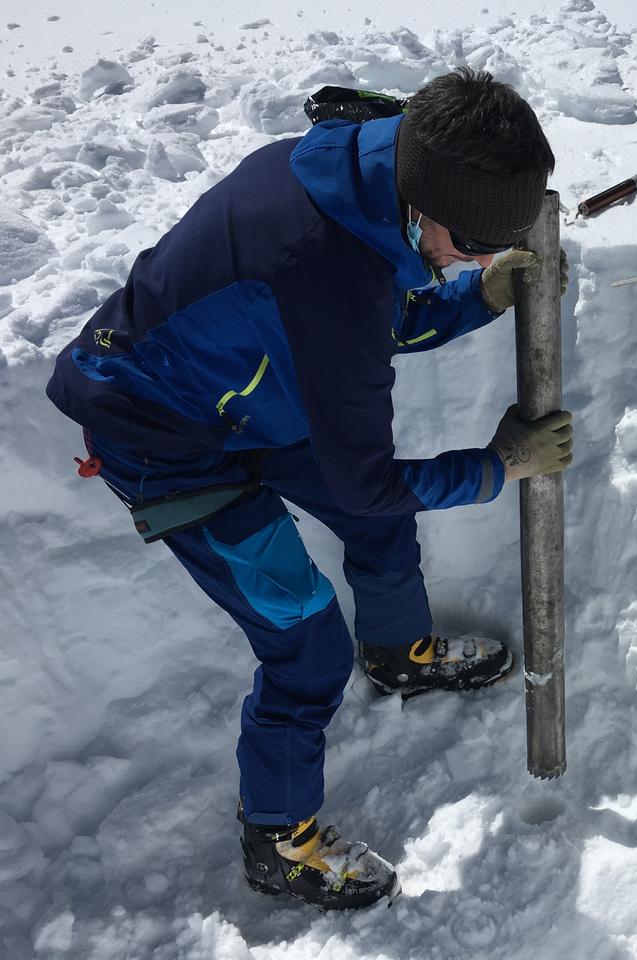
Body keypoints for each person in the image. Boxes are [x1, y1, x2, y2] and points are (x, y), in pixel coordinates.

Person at [44, 68, 570, 910]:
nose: (472, 261)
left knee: (384, 529)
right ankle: (278, 840)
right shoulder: (323, 263)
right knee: (305, 643)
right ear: (425, 201)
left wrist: (476, 296)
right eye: (470, 245)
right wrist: (498, 466)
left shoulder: (380, 167)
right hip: (163, 436)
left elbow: (377, 308)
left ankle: (399, 653)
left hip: (255, 393)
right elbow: (364, 468)